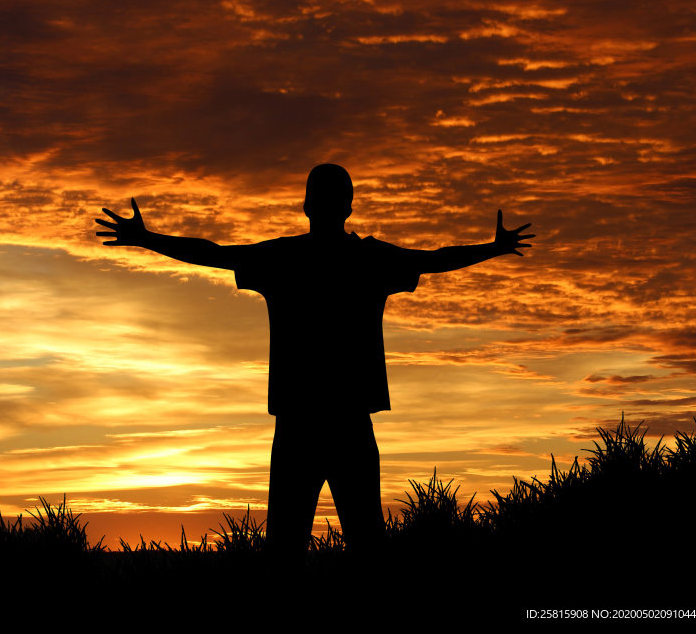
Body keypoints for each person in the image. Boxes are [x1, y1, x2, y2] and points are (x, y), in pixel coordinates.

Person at [95, 163, 534, 569]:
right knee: (366, 544)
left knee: (287, 549)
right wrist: (494, 249)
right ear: (348, 207)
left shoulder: (284, 258)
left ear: (306, 206)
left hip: (299, 422)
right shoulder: (369, 259)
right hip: (349, 420)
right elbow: (435, 259)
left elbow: (215, 253)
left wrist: (148, 238)